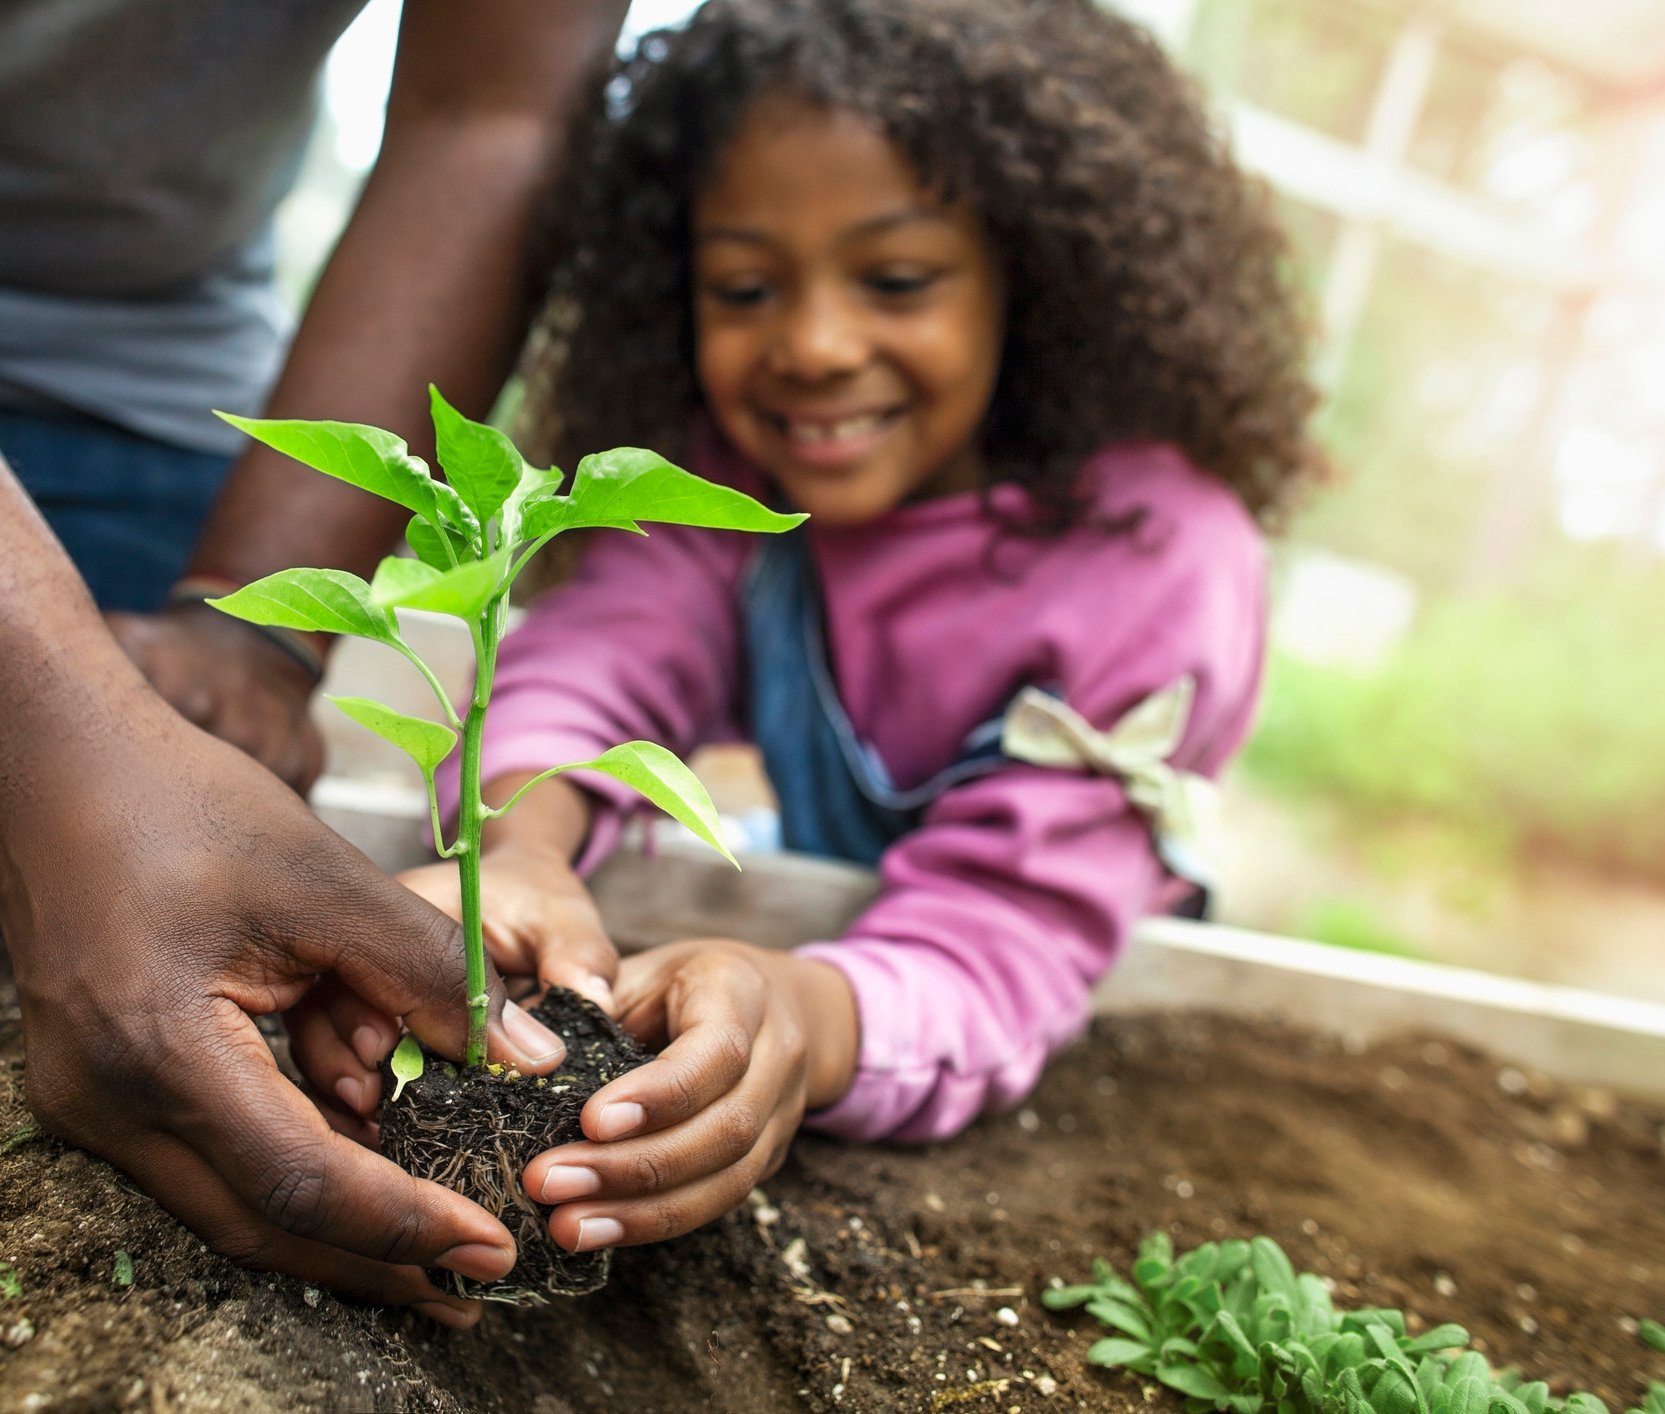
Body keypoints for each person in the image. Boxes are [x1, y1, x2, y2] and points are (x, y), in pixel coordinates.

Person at [0, 0, 630, 1327]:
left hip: (131, 371)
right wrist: (50, 741)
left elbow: (493, 113)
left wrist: (249, 628)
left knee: (190, 881)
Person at [291, 0, 1322, 1257]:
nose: (816, 346)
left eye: (896, 279)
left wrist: (803, 1013)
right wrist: (517, 850)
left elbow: (1008, 937)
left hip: (1044, 958)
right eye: (744, 286)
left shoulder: (1158, 562)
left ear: (1036, 271)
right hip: (851, 907)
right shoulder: (732, 483)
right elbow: (595, 661)